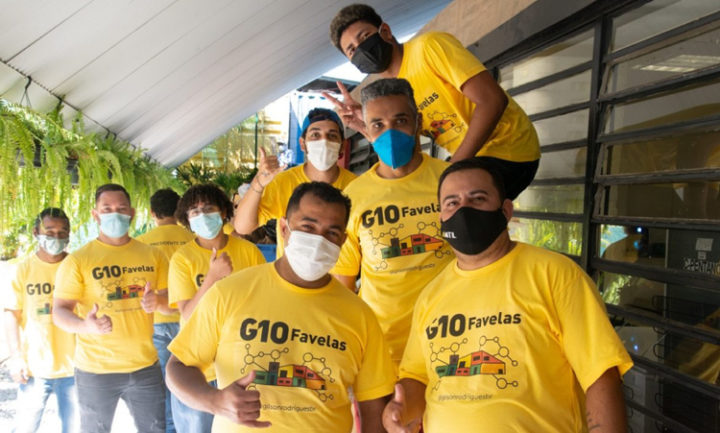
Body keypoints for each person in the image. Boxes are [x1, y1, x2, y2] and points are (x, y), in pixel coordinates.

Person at [384, 158, 633, 432]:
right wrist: (398, 409)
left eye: (478, 198)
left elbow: (600, 375)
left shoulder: (554, 274)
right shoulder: (431, 295)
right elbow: (417, 378)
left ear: (505, 210)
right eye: (452, 203)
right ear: (441, 218)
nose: (463, 210)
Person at [166, 182, 395, 432]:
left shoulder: (360, 315)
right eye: (308, 227)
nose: (318, 241)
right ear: (284, 228)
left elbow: (374, 405)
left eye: (331, 233)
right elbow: (178, 366)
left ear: (343, 241)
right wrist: (215, 401)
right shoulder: (229, 292)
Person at [326, 4, 540, 199]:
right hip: (473, 159)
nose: (361, 48)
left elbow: (493, 101)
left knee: (444, 204)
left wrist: (451, 169)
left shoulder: (429, 47)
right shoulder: (396, 91)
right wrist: (364, 125)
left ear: (386, 31)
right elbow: (407, 153)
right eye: (352, 50)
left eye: (365, 36)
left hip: (509, 150)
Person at [331, 78, 454, 368]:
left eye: (400, 120)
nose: (390, 132)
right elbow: (342, 285)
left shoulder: (452, 182)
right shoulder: (354, 197)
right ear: (367, 130)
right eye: (378, 124)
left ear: (417, 122)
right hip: (383, 351)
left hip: (450, 343)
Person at [53, 184, 167, 433]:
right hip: (96, 371)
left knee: (156, 429)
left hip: (145, 366)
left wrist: (159, 302)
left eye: (121, 208)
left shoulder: (153, 255)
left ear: (132, 213)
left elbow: (173, 302)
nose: (115, 214)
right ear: (95, 215)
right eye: (107, 209)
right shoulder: (78, 260)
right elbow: (59, 312)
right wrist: (85, 326)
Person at [167, 183, 266, 433]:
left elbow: (262, 304)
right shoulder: (182, 259)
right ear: (187, 220)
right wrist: (212, 277)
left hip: (240, 366)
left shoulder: (249, 251)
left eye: (209, 209)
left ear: (223, 212)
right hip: (200, 372)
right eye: (195, 212)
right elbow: (187, 315)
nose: (202, 216)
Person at [234, 108, 357, 257]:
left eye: (332, 135)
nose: (324, 141)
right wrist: (258, 183)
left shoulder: (357, 186)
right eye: (315, 135)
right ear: (303, 144)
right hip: (292, 271)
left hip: (342, 271)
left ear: (342, 145)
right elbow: (243, 227)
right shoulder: (283, 182)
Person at [4, 208, 78, 433]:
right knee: (25, 427)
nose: (56, 237)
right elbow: (12, 314)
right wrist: (16, 358)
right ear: (36, 232)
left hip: (75, 368)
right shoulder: (23, 270)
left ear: (68, 235)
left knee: (75, 428)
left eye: (62, 232)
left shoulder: (77, 266)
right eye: (50, 231)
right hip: (35, 368)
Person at [136, 188, 195, 433]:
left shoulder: (141, 243)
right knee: (189, 383)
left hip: (156, 320)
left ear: (152, 213)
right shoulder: (193, 239)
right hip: (189, 319)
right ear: (179, 209)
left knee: (164, 383)